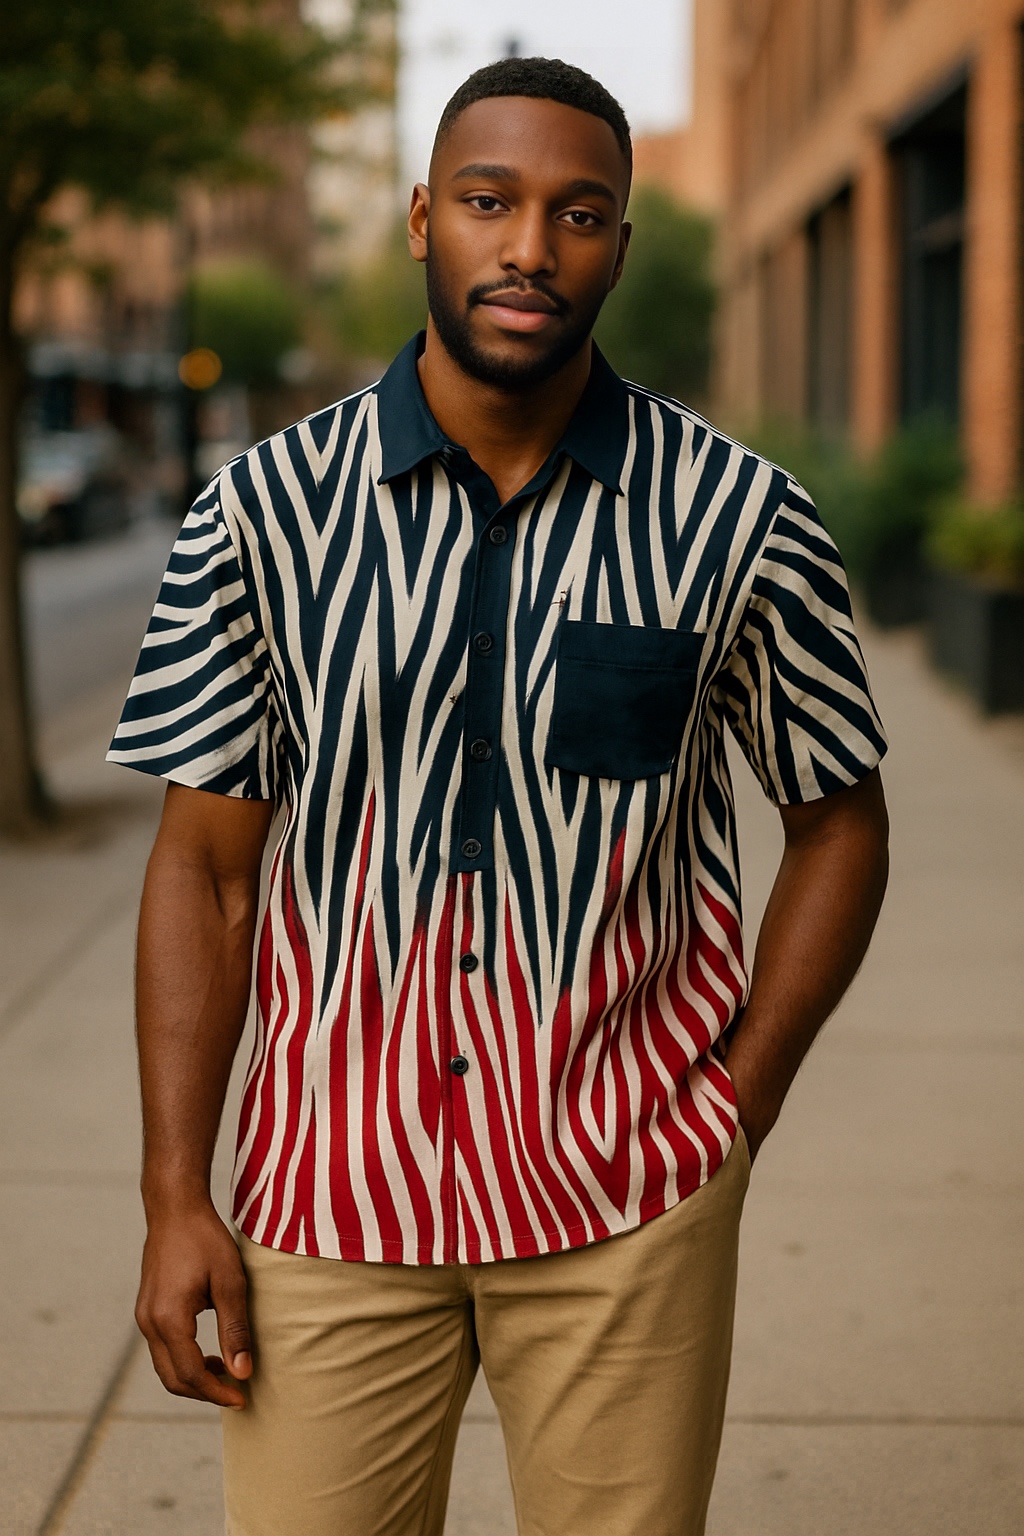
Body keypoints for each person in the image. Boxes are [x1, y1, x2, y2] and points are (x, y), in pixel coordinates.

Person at [110, 56, 889, 1536]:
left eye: (579, 212)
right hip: (327, 1199)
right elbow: (204, 870)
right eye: (490, 201)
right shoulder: (261, 515)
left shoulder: (741, 520)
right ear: (422, 219)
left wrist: (739, 1103)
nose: (531, 245)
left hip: (627, 1199)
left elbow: (839, 822)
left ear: (620, 246)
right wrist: (173, 1192)